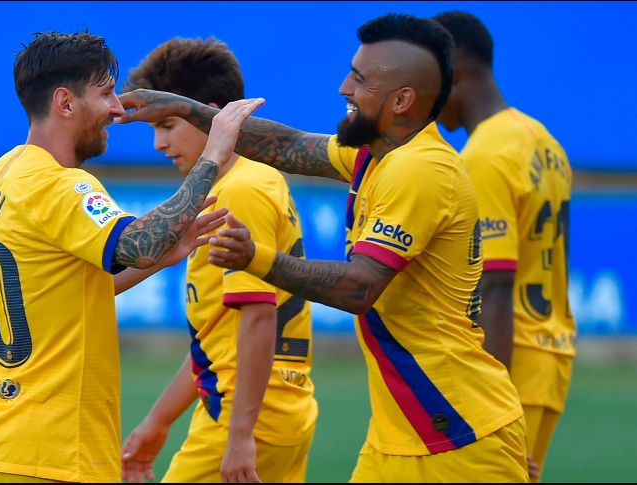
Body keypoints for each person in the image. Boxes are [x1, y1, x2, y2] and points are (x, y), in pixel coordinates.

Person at [117, 13, 530, 483]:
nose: (343, 88)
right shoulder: (373, 155)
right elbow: (286, 144)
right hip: (399, 436)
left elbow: (360, 287)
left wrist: (257, 258)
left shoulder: (421, 170)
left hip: (459, 436)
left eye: (359, 79)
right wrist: (184, 107)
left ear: (402, 100)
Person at [0, 31, 264, 483]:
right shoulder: (63, 186)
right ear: (65, 103)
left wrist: (165, 253)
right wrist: (214, 153)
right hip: (52, 454)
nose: (117, 108)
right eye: (106, 93)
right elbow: (137, 243)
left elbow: (68, 286)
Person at [118, 37, 317, 484]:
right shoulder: (248, 182)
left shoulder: (239, 192)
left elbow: (259, 318)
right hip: (272, 409)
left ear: (210, 114)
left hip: (250, 418)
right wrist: (159, 420)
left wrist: (241, 435)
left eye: (166, 124)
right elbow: (221, 342)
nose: (157, 144)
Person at [433, 11, 576, 481]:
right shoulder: (544, 141)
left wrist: (490, 399)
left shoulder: (485, 156)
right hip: (549, 355)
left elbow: (495, 284)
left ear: (454, 71)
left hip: (514, 362)